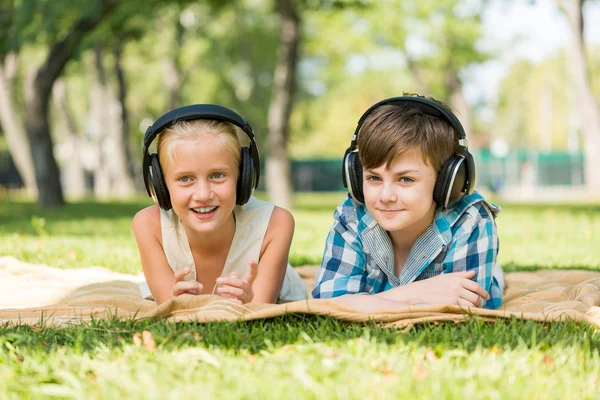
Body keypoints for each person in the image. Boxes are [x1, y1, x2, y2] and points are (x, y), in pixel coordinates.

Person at [312, 95, 504, 310]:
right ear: (356, 177)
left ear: (447, 181)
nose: (386, 196)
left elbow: (463, 311)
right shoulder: (352, 216)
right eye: (374, 178)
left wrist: (369, 302)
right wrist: (414, 293)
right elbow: (329, 304)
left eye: (405, 179)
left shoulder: (471, 220)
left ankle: (497, 273)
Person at [133, 104, 307, 305]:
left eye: (217, 175)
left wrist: (250, 300)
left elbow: (259, 309)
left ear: (243, 177)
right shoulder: (148, 225)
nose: (203, 194)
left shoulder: (276, 224)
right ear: (160, 185)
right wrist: (175, 300)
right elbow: (170, 308)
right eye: (185, 179)